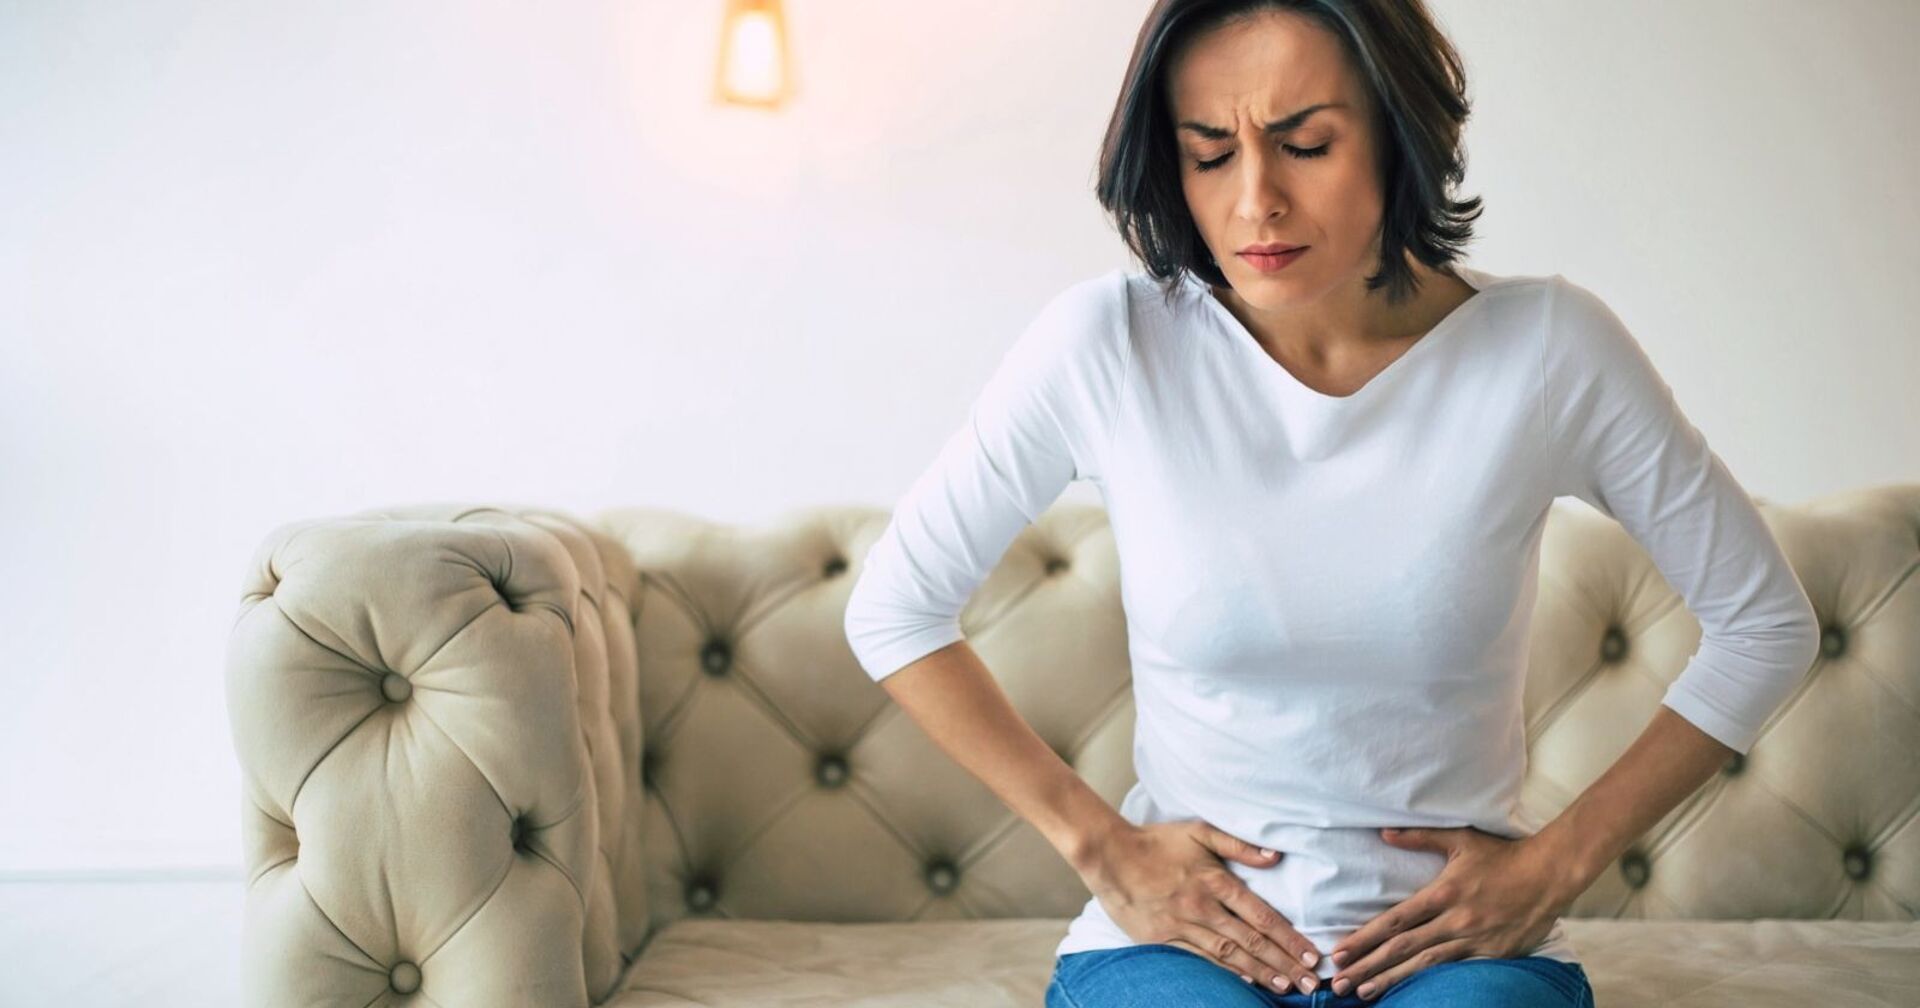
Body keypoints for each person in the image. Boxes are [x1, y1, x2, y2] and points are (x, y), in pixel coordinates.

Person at [842, 1, 1822, 1005]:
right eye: (1209, 152)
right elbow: (893, 608)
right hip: (1175, 955)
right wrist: (1102, 847)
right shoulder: (1106, 346)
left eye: (1304, 143)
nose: (1255, 199)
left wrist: (1558, 862)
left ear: (1399, 136)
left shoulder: (1549, 350)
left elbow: (1765, 621)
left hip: (1460, 957)